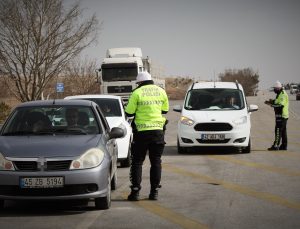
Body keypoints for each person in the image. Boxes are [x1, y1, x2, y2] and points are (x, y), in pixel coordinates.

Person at [125, 71, 169, 201]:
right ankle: (154, 191)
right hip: (157, 132)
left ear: (139, 82)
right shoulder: (161, 91)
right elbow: (165, 110)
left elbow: (129, 112)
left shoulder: (136, 93)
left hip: (141, 132)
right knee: (156, 161)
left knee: (137, 162)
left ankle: (135, 192)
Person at [264, 81, 289, 150]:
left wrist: (271, 105)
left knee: (278, 130)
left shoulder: (283, 94)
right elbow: (277, 101)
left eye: (275, 88)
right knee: (283, 131)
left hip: (282, 116)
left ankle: (275, 146)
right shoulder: (280, 93)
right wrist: (271, 101)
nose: (274, 90)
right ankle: (284, 146)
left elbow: (280, 105)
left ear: (278, 88)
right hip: (280, 115)